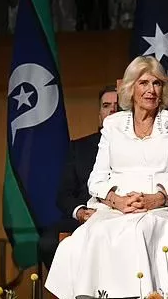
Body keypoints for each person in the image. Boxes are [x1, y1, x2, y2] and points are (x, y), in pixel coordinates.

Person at [45, 56, 168, 299]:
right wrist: (115, 200)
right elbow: (96, 179)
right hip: (117, 206)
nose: (151, 90)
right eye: (143, 83)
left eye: (157, 84)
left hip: (160, 208)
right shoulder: (114, 125)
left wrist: (156, 198)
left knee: (137, 231)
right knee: (83, 239)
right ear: (131, 89)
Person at [38, 86, 118, 269]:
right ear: (100, 115)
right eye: (106, 105)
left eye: (117, 105)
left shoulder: (135, 146)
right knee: (48, 242)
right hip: (85, 217)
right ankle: (70, 296)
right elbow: (63, 194)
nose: (112, 110)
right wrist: (81, 212)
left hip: (118, 217)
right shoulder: (79, 148)